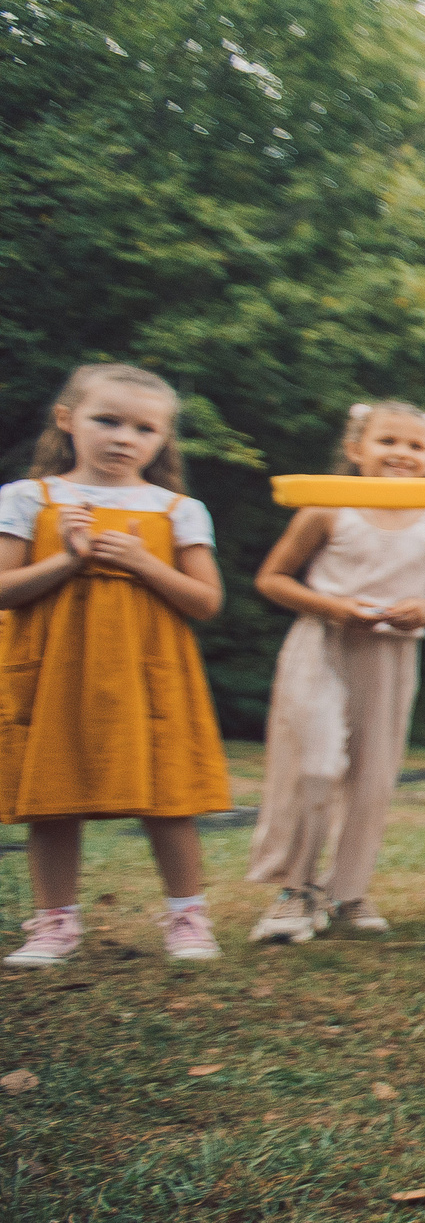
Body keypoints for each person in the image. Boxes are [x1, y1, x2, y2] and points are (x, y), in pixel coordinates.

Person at [0, 364, 231, 966]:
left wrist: (139, 560)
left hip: (147, 672)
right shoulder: (28, 498)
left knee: (167, 795)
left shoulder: (180, 509)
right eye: (107, 420)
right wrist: (68, 562)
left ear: (161, 441)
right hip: (54, 669)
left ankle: (187, 916)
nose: (124, 437)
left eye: (143, 428)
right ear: (66, 420)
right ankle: (54, 924)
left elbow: (205, 601)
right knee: (50, 795)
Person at [246, 402, 425, 943]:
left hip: (391, 656)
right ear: (355, 450)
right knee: (315, 763)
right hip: (323, 644)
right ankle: (295, 890)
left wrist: (424, 609)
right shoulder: (326, 509)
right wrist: (332, 606)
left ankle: (348, 891)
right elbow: (273, 578)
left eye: (415, 447)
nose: (401, 454)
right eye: (388, 441)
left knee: (373, 774)